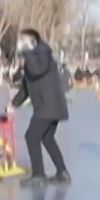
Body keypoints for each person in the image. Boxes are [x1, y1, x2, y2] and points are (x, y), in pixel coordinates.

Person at [14, 28, 70, 183]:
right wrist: (13, 105)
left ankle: (38, 175)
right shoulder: (33, 58)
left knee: (32, 137)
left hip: (48, 106)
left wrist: (27, 51)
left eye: (23, 40)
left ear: (32, 41)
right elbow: (26, 86)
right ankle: (62, 172)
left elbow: (38, 71)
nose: (20, 44)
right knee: (47, 137)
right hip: (48, 106)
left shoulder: (42, 53)